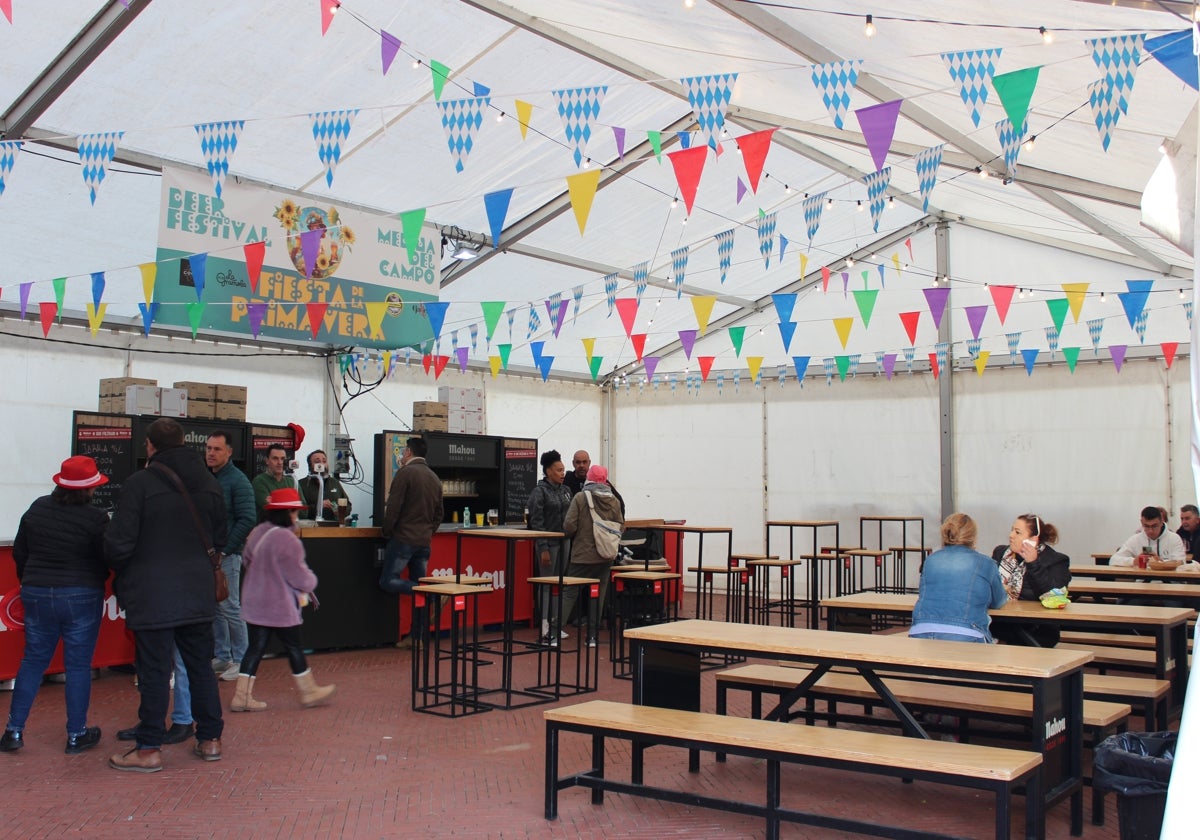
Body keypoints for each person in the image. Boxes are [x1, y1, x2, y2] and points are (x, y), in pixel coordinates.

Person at [105, 418, 227, 772]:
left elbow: (118, 545)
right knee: (200, 667)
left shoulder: (139, 484)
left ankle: (148, 750)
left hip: (152, 591)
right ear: (185, 443)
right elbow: (221, 536)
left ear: (150, 446)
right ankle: (210, 740)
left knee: (155, 671)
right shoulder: (209, 482)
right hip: (198, 589)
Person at [1, 456, 109, 755]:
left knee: (33, 660)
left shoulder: (37, 507)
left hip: (36, 591)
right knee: (77, 665)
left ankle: (13, 731)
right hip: (80, 592)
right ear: (88, 489)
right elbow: (106, 557)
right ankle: (76, 735)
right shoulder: (96, 517)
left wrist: (30, 580)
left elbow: (21, 551)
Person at [234, 488, 334, 711]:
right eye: (295, 512)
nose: (297, 516)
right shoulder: (288, 540)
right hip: (279, 606)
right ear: (287, 512)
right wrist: (311, 581)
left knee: (255, 648)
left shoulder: (258, 531)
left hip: (254, 602)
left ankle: (241, 697)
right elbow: (300, 578)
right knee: (294, 647)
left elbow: (247, 560)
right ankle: (309, 692)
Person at [380, 437, 443, 647]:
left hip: (403, 538)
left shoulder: (405, 473)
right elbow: (439, 513)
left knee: (387, 581)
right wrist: (428, 531)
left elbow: (393, 508)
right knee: (419, 589)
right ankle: (417, 638)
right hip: (424, 541)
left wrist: (387, 532)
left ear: (408, 452)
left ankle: (432, 595)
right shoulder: (434, 478)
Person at [909, 513, 1007, 644]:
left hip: (920, 630)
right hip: (967, 633)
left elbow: (924, 593)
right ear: (973, 537)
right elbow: (998, 602)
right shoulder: (986, 563)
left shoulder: (931, 560)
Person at [208, 431, 256, 682]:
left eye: (217, 449)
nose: (211, 453)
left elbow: (248, 517)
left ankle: (241, 659)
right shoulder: (210, 478)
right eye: (208, 448)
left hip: (227, 555)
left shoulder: (238, 481)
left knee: (230, 607)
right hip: (211, 554)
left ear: (229, 452)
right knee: (216, 606)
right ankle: (223, 655)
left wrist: (226, 548)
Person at [559, 465, 624, 648]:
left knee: (570, 592)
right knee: (597, 594)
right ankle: (593, 636)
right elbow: (620, 525)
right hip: (606, 555)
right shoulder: (614, 501)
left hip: (582, 555)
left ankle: (555, 632)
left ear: (589, 478)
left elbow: (569, 525)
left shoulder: (581, 497)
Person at [990, 514, 1071, 647]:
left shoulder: (1056, 561)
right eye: (1011, 530)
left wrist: (1033, 563)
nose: (1011, 535)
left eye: (1017, 532)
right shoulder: (1000, 553)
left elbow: (1055, 596)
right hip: (999, 623)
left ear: (1033, 539)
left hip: (1037, 629)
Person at [527, 450, 572, 644]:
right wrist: (543, 547)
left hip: (565, 542)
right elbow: (536, 521)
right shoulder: (539, 491)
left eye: (563, 469)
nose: (562, 473)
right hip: (548, 543)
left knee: (559, 583)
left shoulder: (566, 490)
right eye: (558, 470)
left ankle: (556, 623)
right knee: (546, 583)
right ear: (548, 471)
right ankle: (544, 622)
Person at [1110, 505, 1186, 569]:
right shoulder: (1135, 539)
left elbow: (1181, 563)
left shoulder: (1174, 538)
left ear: (1161, 522)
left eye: (1154, 526)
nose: (1150, 531)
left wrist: (1160, 563)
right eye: (1146, 526)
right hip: (1142, 582)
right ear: (1141, 522)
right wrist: (1134, 561)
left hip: (1169, 583)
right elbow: (1113, 560)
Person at [296, 450, 352, 523]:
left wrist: (340, 511)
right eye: (317, 462)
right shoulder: (301, 484)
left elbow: (348, 505)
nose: (322, 464)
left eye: (324, 461)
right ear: (310, 466)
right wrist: (318, 506)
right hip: (310, 527)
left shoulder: (334, 482)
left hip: (334, 527)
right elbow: (298, 511)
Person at [252, 444, 295, 522]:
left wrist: (276, 502)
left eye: (282, 459)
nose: (280, 462)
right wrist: (292, 504)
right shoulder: (259, 481)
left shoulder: (292, 481)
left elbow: (304, 512)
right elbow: (270, 511)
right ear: (267, 461)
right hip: (267, 530)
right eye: (275, 458)